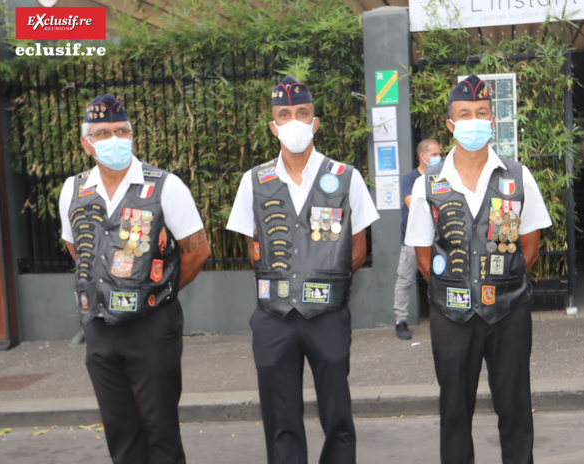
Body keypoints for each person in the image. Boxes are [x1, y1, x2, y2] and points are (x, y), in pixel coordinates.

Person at [226, 76, 379, 464]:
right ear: (273, 126)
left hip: (327, 316)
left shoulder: (346, 178)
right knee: (280, 420)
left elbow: (358, 249)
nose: (293, 121)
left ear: (315, 122)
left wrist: (326, 282)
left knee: (337, 415)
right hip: (272, 318)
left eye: (302, 113)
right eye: (284, 114)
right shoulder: (254, 181)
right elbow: (253, 246)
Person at [405, 74, 552, 464]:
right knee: (454, 410)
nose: (474, 120)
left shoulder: (518, 177)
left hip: (509, 311)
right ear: (451, 125)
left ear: (492, 120)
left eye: (481, 113)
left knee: (516, 407)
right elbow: (424, 256)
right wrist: (455, 291)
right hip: (450, 315)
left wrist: (498, 284)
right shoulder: (428, 184)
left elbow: (531, 246)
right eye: (465, 114)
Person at [58, 94, 211, 464]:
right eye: (103, 132)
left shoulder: (165, 186)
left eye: (121, 131)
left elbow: (198, 250)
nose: (114, 138)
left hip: (152, 326)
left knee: (160, 430)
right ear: (86, 143)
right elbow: (76, 248)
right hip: (100, 327)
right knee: (120, 431)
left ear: (132, 136)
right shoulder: (74, 190)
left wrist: (159, 293)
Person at [392, 138, 442, 340]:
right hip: (413, 239)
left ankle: (442, 315)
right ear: (422, 156)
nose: (440, 157)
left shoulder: (442, 177)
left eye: (440, 153)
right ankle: (400, 321)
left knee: (439, 277)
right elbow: (413, 205)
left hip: (439, 237)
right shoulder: (410, 179)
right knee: (405, 279)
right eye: (435, 154)